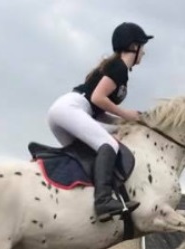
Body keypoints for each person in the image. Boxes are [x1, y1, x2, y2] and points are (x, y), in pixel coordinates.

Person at [47, 22, 153, 222]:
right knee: (109, 144)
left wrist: (124, 123)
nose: (144, 53)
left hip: (69, 112)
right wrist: (126, 114)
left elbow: (99, 111)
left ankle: (84, 201)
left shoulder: (118, 68)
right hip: (72, 108)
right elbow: (98, 98)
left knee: (91, 153)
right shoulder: (119, 67)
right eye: (143, 46)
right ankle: (103, 201)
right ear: (133, 46)